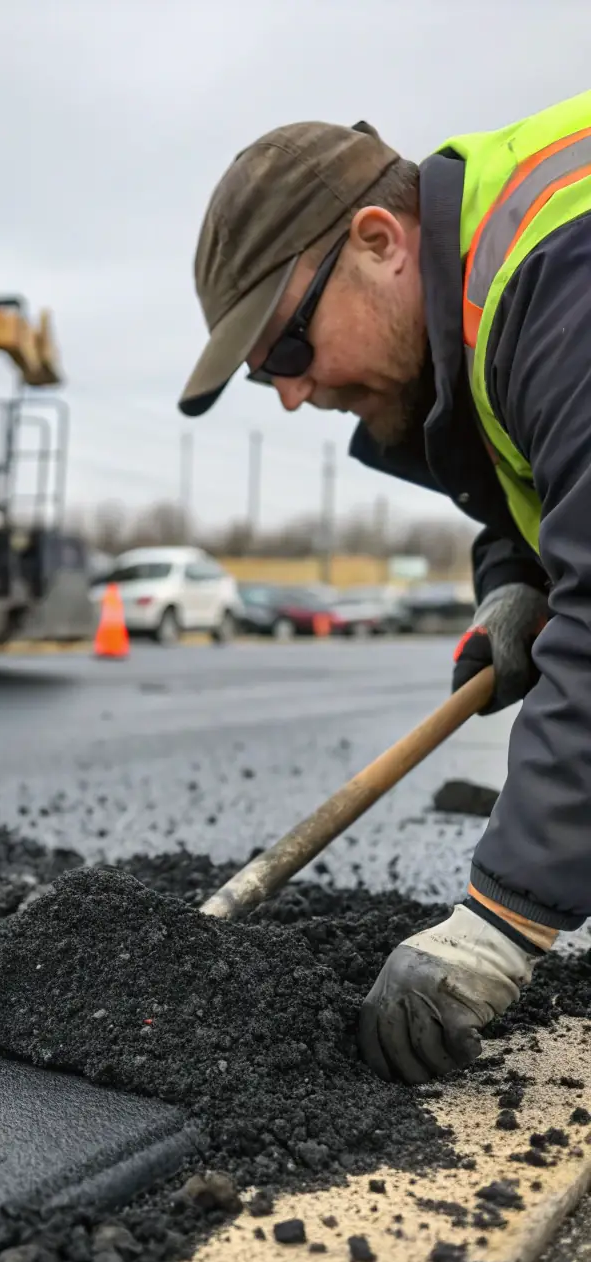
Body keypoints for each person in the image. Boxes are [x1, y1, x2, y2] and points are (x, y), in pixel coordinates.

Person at [177, 90, 591, 1085]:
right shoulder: (500, 307)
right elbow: (537, 471)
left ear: (378, 241)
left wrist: (499, 921)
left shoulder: (558, 277)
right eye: (262, 377)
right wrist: (518, 582)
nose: (288, 391)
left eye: (285, 347)